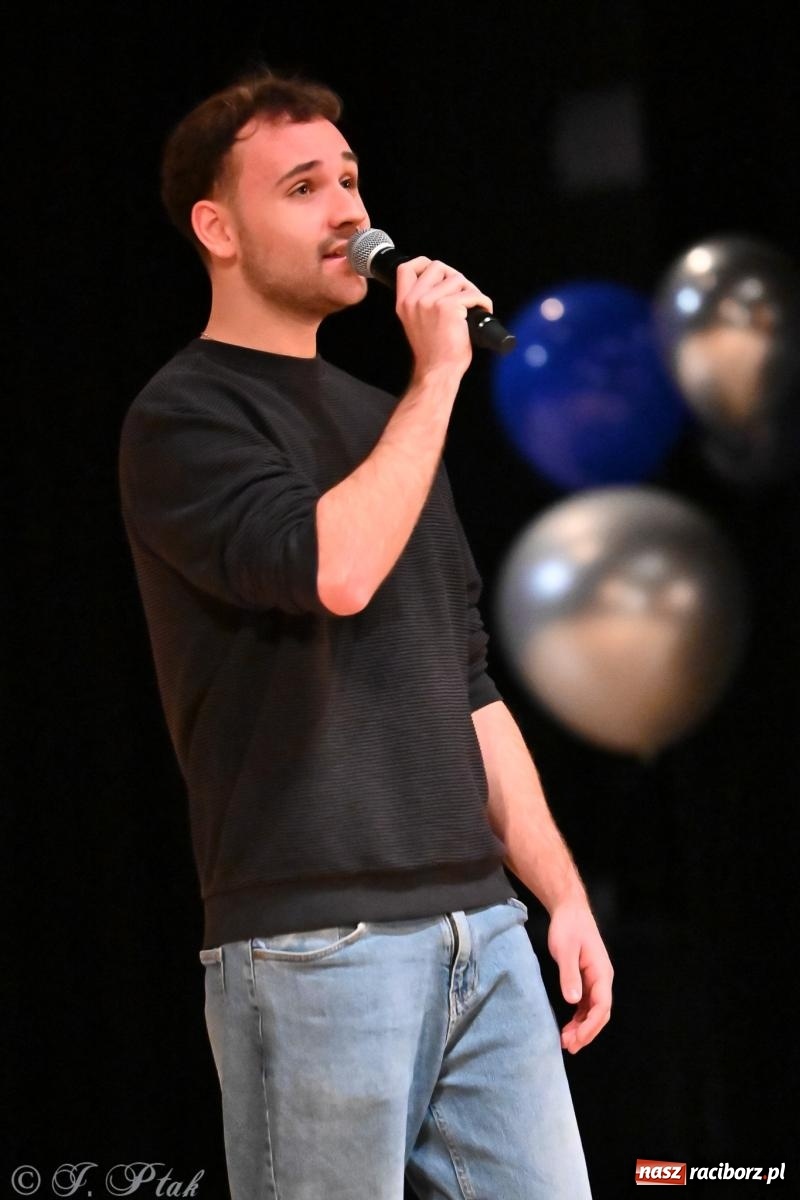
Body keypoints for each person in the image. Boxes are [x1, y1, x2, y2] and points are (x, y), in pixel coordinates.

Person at [119, 68, 613, 1200]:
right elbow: (332, 572)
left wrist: (559, 892)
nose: (349, 211)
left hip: (482, 930)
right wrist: (436, 378)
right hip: (317, 946)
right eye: (303, 188)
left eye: (349, 179)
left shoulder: (382, 421)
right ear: (217, 229)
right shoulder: (185, 415)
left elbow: (464, 677)